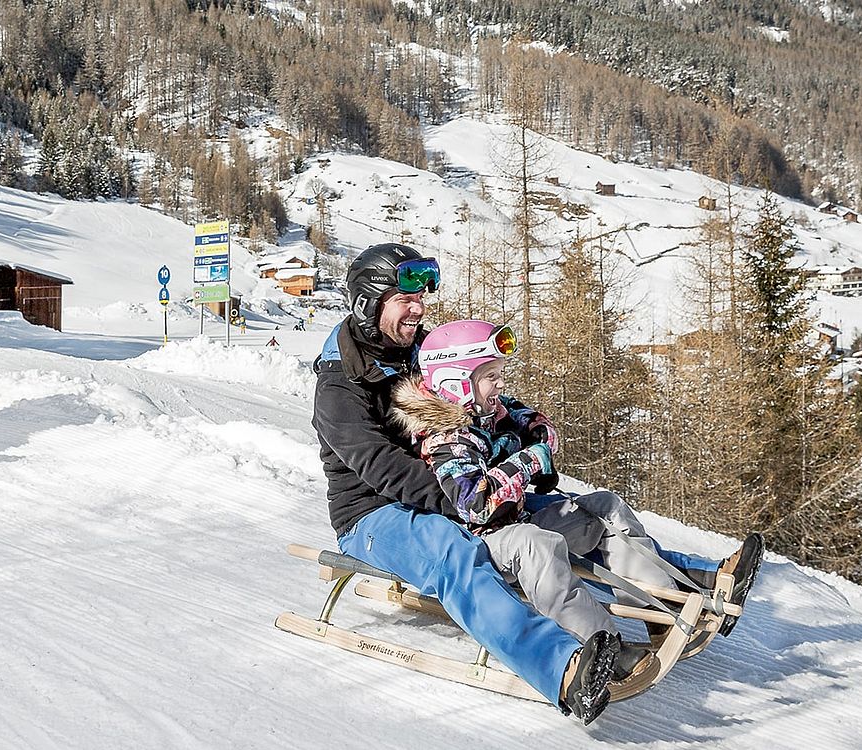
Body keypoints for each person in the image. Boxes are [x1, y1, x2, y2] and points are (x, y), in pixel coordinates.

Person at [311, 243, 622, 724]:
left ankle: (684, 580)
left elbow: (478, 395)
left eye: (422, 298)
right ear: (368, 304)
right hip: (372, 514)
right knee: (451, 550)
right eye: (404, 299)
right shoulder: (340, 384)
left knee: (563, 511)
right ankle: (561, 668)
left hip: (454, 487)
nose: (419, 309)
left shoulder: (420, 350)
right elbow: (382, 467)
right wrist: (468, 501)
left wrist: (521, 431)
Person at [392, 319, 762, 667]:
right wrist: (528, 462)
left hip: (515, 519)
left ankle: (662, 608)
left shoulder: (484, 408)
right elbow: (475, 504)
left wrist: (538, 434)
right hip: (479, 541)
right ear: (456, 382)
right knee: (538, 544)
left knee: (604, 509)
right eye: (491, 377)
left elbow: (535, 422)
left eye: (500, 375)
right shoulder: (445, 436)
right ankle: (601, 648)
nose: (500, 385)